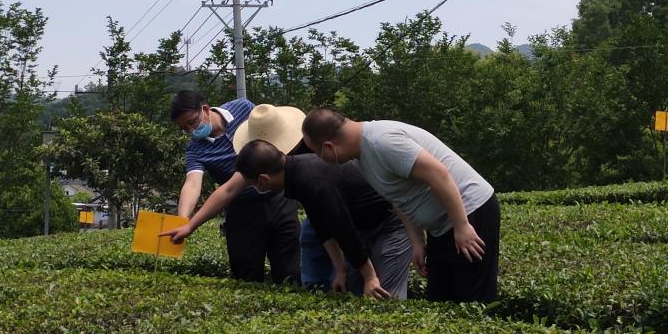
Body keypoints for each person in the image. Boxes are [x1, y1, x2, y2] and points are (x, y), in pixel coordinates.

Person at [170, 138, 415, 300]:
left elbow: (343, 230)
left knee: (383, 297)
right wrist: (339, 269)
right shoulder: (294, 174)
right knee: (352, 293)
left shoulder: (311, 180)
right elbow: (323, 226)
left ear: (263, 181)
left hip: (389, 226)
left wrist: (370, 276)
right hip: (360, 226)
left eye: (252, 184)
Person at [300, 108, 499, 303]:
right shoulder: (361, 155)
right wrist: (417, 241)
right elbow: (398, 197)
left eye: (317, 153)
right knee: (441, 300)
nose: (319, 159)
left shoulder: (383, 142)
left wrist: (462, 226)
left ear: (328, 147)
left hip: (470, 212)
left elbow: (439, 174)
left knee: (473, 302)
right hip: (441, 226)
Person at [169, 91, 299, 284]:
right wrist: (183, 218)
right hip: (242, 209)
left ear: (205, 109)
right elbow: (192, 184)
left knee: (291, 271)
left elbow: (271, 134)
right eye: (184, 128)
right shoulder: (195, 149)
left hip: (279, 198)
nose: (190, 130)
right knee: (246, 275)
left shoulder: (244, 108)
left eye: (192, 122)